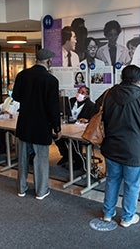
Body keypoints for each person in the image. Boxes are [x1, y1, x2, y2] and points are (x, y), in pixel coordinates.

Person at [96, 64, 140, 227]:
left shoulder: (108, 94)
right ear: (139, 79)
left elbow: (97, 113)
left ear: (122, 77)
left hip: (112, 147)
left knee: (112, 180)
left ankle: (107, 213)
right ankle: (127, 218)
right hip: (136, 151)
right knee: (132, 185)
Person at [12, 48, 61, 200]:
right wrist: (57, 127)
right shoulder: (51, 80)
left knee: (22, 159)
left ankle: (21, 188)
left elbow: (16, 96)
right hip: (41, 126)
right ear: (48, 61)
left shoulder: (22, 75)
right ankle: (41, 191)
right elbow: (53, 107)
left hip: (24, 123)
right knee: (40, 160)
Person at [55, 85, 95, 170]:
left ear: (87, 95)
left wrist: (87, 120)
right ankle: (66, 155)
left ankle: (78, 161)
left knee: (74, 141)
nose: (79, 94)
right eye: (79, 91)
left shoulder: (91, 105)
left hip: (80, 130)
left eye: (82, 92)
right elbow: (65, 111)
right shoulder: (71, 101)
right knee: (57, 136)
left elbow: (92, 119)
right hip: (68, 125)